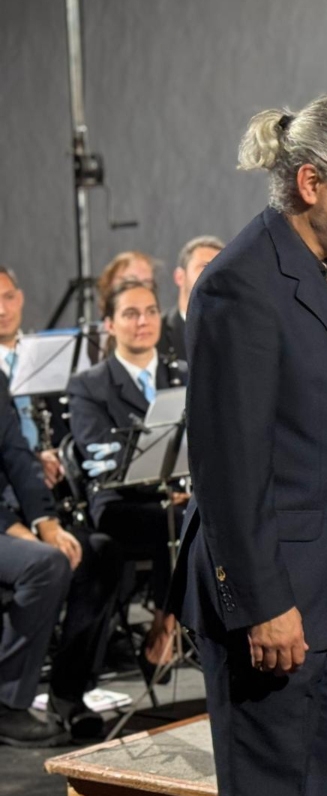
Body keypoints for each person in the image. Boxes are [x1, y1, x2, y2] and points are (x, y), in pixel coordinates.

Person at [170, 93, 327, 796]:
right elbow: (227, 470)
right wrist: (265, 605)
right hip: (277, 606)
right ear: (310, 183)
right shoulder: (236, 286)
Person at [68, 278, 187, 685]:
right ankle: (166, 627)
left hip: (181, 499)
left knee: (204, 516)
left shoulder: (182, 373)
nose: (144, 322)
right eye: (131, 314)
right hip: (121, 505)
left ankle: (168, 622)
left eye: (151, 311)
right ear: (110, 324)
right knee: (180, 521)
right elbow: (100, 455)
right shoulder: (89, 384)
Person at [0, 371, 122, 745]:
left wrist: (47, 521)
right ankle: (6, 703)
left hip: (12, 516)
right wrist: (11, 527)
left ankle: (68, 694)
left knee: (97, 551)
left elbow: (17, 455)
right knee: (45, 564)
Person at [0, 266, 67, 488]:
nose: (2, 310)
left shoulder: (47, 354)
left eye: (8, 297)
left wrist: (59, 455)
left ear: (20, 299)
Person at [158, 236, 224, 365]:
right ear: (179, 277)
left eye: (220, 268)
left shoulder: (238, 330)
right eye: (204, 267)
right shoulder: (156, 333)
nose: (212, 274)